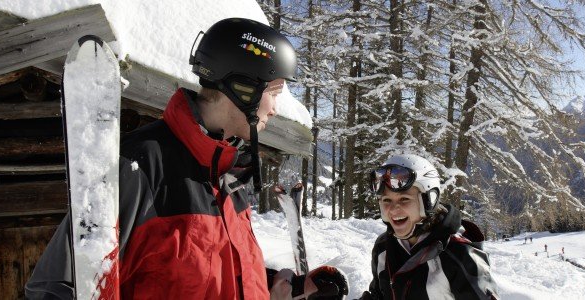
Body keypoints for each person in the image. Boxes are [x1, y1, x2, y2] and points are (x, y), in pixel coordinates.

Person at [25, 18, 347, 299]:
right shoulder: (139, 167)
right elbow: (58, 286)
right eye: (273, 93)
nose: (275, 109)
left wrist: (287, 287)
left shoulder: (230, 177)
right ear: (244, 89)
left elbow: (214, 277)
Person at [359, 154, 497, 299]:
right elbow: (378, 296)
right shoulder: (384, 247)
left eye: (404, 199)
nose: (393, 209)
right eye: (386, 200)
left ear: (429, 200)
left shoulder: (458, 253)